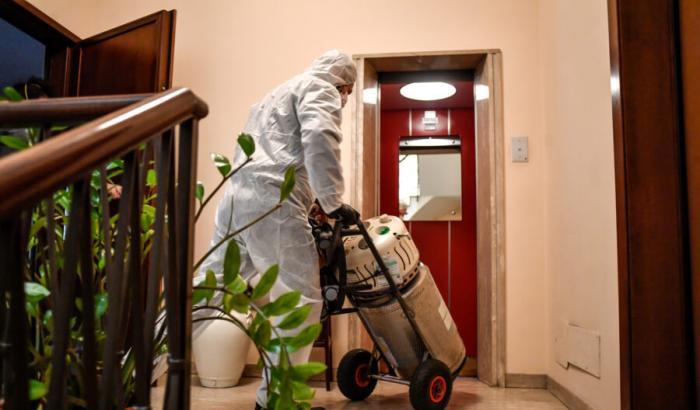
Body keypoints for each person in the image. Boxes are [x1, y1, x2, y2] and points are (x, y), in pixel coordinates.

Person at [196, 50, 358, 410]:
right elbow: (320, 137)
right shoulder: (322, 88)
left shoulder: (278, 93)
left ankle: (133, 369)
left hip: (237, 198)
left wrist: (312, 201)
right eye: (347, 91)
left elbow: (276, 150)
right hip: (273, 204)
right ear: (341, 82)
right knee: (302, 301)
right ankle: (276, 401)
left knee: (207, 290)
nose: (345, 98)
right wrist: (332, 201)